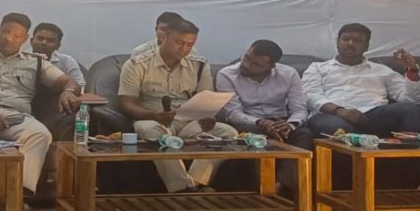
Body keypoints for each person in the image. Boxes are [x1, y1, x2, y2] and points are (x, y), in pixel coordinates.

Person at [303, 23, 420, 190]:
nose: (350, 43)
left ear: (366, 46)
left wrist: (412, 70)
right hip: (331, 115)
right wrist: (340, 111)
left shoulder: (382, 70)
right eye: (346, 39)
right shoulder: (318, 68)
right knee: (339, 128)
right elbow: (310, 95)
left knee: (410, 110)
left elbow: (411, 99)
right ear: (338, 42)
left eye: (357, 40)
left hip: (373, 115)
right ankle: (360, 186)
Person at [0, 13, 81, 206]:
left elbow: (69, 81)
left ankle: (19, 195)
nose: (9, 38)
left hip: (17, 116)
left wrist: (68, 91)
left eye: (17, 35)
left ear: (25, 38)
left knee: (40, 134)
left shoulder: (36, 61)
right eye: (5, 32)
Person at [118, 18, 236, 192]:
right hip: (153, 120)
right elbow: (127, 105)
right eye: (179, 43)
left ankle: (196, 182)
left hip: (189, 122)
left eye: (190, 44)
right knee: (154, 132)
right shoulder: (137, 64)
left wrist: (208, 117)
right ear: (163, 37)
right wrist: (154, 115)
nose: (184, 49)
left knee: (228, 133)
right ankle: (183, 188)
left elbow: (206, 99)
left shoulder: (199, 65)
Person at [215, 39, 313, 191]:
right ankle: (262, 189)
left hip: (280, 121)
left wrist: (290, 124)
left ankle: (279, 186)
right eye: (246, 58)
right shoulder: (226, 75)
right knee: (253, 138)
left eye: (256, 64)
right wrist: (261, 123)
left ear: (271, 66)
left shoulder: (289, 74)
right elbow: (234, 113)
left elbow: (299, 109)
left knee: (304, 134)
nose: (246, 65)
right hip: (248, 123)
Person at [29, 22, 86, 91]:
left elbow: (80, 86)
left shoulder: (67, 61)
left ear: (58, 45)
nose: (44, 43)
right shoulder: (20, 59)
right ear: (31, 41)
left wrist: (69, 92)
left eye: (50, 40)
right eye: (40, 38)